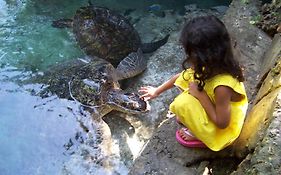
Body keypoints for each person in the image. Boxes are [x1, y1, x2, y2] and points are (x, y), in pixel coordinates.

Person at [138, 15, 248, 151]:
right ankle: (198, 120)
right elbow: (180, 77)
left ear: (201, 56)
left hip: (225, 129)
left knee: (182, 103)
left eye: (189, 53)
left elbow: (222, 123)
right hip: (215, 104)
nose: (188, 57)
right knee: (188, 87)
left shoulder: (223, 87)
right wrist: (156, 91)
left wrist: (201, 96)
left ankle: (199, 135)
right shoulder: (213, 65)